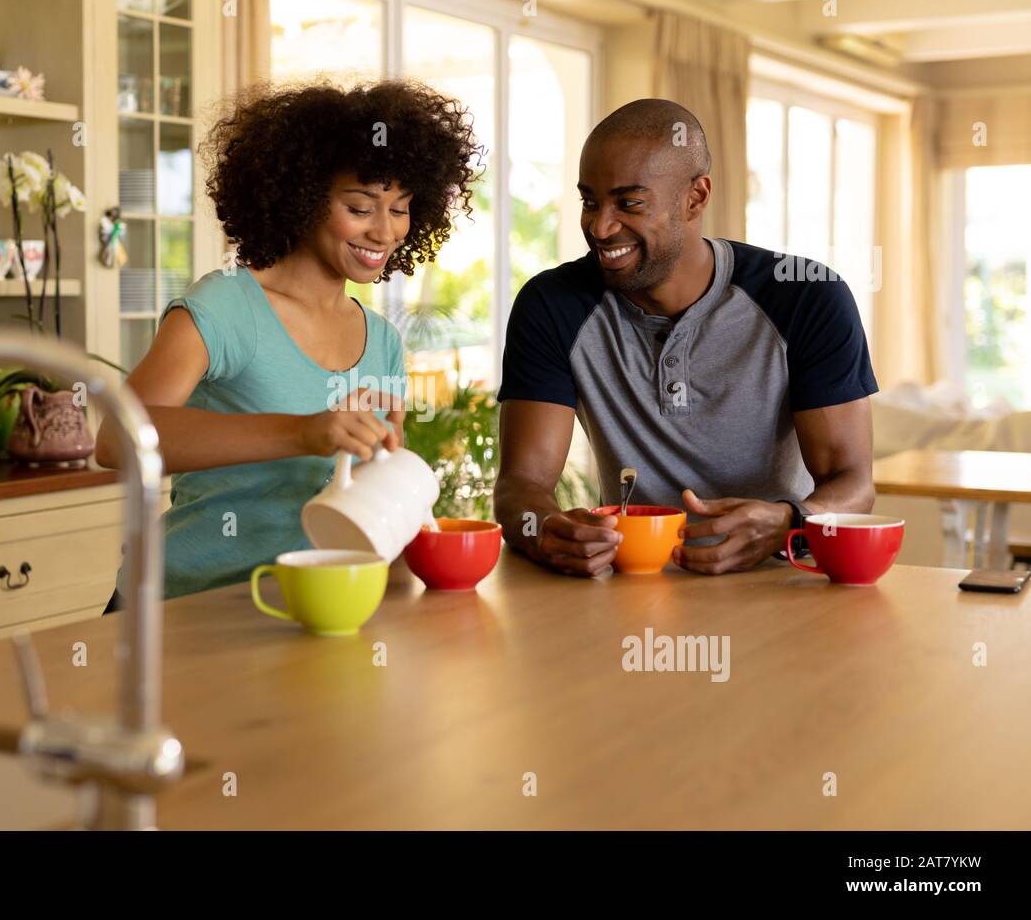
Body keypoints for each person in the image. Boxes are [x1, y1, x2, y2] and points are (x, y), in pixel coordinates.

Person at [99, 79, 483, 604]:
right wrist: (305, 433)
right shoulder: (226, 306)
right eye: (360, 205)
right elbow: (118, 438)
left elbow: (379, 486)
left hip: (310, 604)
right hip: (182, 607)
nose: (385, 231)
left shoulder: (383, 343)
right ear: (301, 197)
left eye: (400, 208)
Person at [494, 98, 876, 577]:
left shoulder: (806, 295)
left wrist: (787, 522)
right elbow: (519, 486)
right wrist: (544, 530)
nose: (600, 226)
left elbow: (854, 484)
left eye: (629, 203)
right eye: (590, 201)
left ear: (695, 198)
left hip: (778, 583)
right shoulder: (552, 304)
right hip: (629, 588)